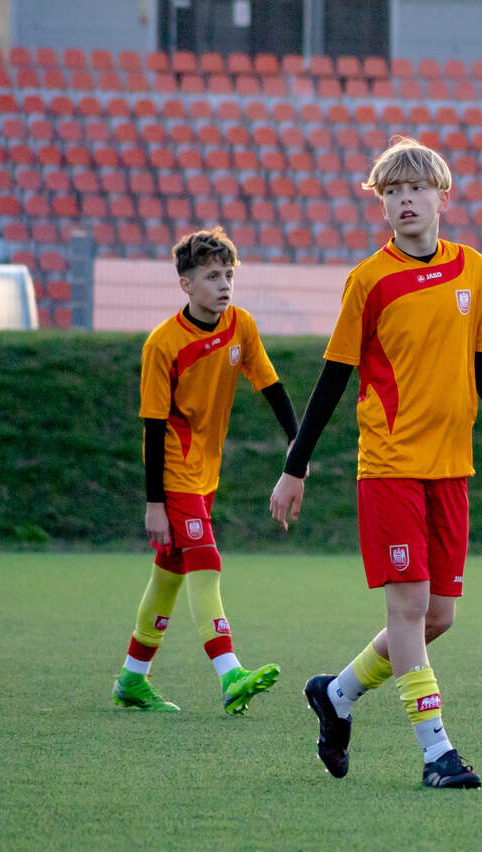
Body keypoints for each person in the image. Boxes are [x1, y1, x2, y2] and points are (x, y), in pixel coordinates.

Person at [269, 137, 482, 788]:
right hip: (389, 466)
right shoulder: (368, 280)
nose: (404, 200)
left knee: (438, 615)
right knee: (411, 606)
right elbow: (333, 379)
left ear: (442, 196)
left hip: (452, 467)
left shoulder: (472, 268)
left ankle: (336, 694)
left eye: (416, 188)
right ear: (382, 204)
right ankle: (436, 753)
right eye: (391, 191)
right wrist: (295, 465)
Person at [112, 227, 295, 714]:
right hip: (173, 471)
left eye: (229, 275)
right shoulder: (163, 344)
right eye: (212, 276)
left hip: (204, 473)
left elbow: (271, 386)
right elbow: (153, 429)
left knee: (169, 575)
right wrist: (154, 504)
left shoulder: (241, 325)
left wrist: (297, 441)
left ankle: (132, 679)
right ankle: (231, 673)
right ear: (186, 284)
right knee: (206, 561)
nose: (224, 285)